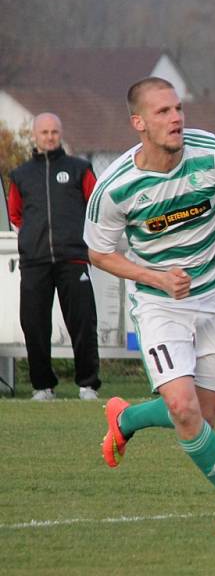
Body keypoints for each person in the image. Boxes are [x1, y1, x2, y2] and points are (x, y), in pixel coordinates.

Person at [83, 77, 215, 532]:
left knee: (205, 415)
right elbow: (99, 252)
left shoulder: (213, 155)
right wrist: (157, 278)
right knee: (184, 409)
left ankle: (126, 417)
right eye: (163, 112)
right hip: (160, 304)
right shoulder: (115, 188)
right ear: (138, 123)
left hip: (214, 298)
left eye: (178, 108)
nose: (176, 118)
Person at [8, 112, 101, 401]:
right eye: (44, 132)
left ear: (61, 134)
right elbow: (15, 216)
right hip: (34, 262)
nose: (49, 137)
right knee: (34, 324)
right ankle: (42, 386)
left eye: (54, 132)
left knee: (83, 321)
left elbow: (97, 207)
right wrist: (35, 239)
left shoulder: (79, 169)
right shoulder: (20, 175)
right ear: (35, 136)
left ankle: (87, 385)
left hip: (73, 258)